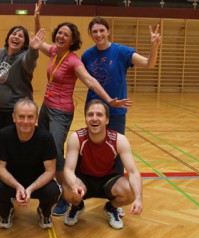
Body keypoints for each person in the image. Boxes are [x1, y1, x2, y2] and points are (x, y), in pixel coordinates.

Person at [34, 0, 132, 216]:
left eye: (65, 35)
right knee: (44, 146)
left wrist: (109, 100)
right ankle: (46, 184)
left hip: (61, 111)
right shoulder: (53, 52)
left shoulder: (73, 60)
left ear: (72, 40)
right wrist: (36, 17)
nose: (60, 36)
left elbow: (91, 81)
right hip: (46, 106)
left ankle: (62, 193)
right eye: (59, 33)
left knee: (57, 153)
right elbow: (37, 41)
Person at [82, 16, 161, 174]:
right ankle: (94, 179)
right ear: (90, 34)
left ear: (108, 31)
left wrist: (154, 47)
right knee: (94, 146)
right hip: (94, 110)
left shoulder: (122, 51)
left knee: (116, 147)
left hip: (116, 110)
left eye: (102, 30)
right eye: (94, 31)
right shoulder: (87, 56)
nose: (99, 34)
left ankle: (116, 184)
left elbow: (148, 64)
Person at [63, 99, 142, 229]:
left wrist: (138, 199)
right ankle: (77, 206)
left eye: (99, 115)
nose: (94, 118)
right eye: (90, 114)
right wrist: (73, 185)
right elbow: (68, 170)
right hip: (84, 181)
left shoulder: (119, 140)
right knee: (67, 188)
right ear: (86, 118)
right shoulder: (76, 138)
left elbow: (133, 172)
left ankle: (111, 208)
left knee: (131, 191)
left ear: (107, 120)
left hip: (108, 182)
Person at [0, 98, 60, 229]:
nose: (25, 121)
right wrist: (17, 186)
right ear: (14, 117)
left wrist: (30, 188)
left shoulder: (46, 137)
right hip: (11, 182)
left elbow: (50, 171)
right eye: (21, 116)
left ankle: (44, 211)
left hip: (37, 183)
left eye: (30, 117)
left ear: (36, 118)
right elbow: (0, 168)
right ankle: (7, 211)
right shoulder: (3, 135)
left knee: (53, 190)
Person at [0, 26, 45, 174]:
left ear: (24, 43)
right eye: (14, 33)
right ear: (8, 37)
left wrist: (34, 50)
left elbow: (30, 61)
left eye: (21, 35)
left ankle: (13, 179)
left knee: (11, 148)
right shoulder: (1, 53)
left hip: (15, 111)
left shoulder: (23, 57)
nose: (16, 36)